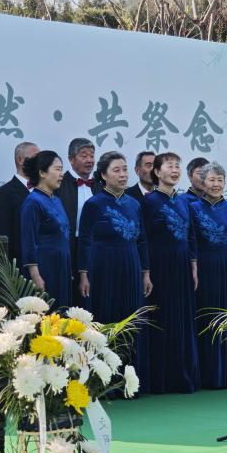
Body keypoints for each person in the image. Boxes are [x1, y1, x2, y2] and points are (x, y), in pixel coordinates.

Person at [77, 151, 152, 389]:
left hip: (131, 263)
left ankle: (129, 382)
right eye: (116, 170)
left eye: (124, 170)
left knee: (130, 319)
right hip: (103, 265)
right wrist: (83, 273)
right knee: (105, 318)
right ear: (103, 175)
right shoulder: (94, 204)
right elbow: (85, 240)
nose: (122, 175)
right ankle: (103, 382)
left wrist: (145, 272)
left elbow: (142, 240)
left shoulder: (134, 204)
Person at [142, 152, 200, 394]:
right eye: (169, 166)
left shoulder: (184, 201)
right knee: (162, 318)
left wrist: (194, 266)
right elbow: (143, 238)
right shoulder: (149, 201)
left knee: (182, 319)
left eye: (177, 166)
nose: (175, 170)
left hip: (182, 265)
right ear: (157, 172)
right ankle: (161, 379)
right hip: (160, 265)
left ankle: (182, 376)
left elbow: (191, 235)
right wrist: (146, 272)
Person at [189, 162, 227, 389]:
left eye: (220, 180)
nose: (216, 184)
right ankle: (209, 375)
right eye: (211, 180)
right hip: (205, 266)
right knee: (207, 317)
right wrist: (194, 267)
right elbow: (192, 241)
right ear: (203, 183)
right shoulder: (193, 208)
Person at [20, 151, 72, 307]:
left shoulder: (57, 200)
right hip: (45, 267)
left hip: (61, 266)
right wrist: (35, 275)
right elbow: (29, 241)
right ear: (42, 172)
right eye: (57, 169)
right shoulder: (33, 202)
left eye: (62, 169)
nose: (61, 174)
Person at [55, 138, 100, 307]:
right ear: (71, 159)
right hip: (68, 247)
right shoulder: (59, 184)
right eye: (84, 155)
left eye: (92, 155)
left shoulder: (100, 185)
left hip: (94, 248)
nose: (89, 160)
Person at [0, 142, 39, 266]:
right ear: (20, 159)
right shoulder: (4, 193)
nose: (40, 162)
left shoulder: (43, 191)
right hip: (19, 267)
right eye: (36, 157)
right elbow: (2, 238)